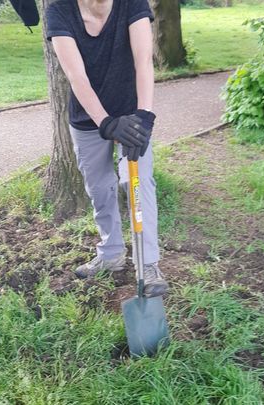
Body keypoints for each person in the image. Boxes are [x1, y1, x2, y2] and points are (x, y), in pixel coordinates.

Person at [45, 0, 168, 297]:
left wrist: (144, 117)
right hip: (88, 119)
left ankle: (147, 264)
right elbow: (77, 77)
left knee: (138, 182)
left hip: (131, 115)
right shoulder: (59, 11)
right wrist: (106, 123)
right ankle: (111, 253)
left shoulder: (131, 4)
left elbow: (143, 62)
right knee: (99, 187)